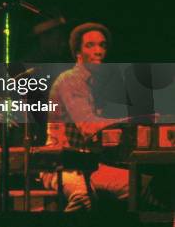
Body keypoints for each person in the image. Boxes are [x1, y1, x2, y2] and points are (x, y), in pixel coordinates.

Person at [41, 22, 128, 211]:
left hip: (88, 165)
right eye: (91, 45)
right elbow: (89, 127)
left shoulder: (94, 84)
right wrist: (131, 123)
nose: (98, 51)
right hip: (61, 166)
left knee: (140, 186)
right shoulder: (70, 80)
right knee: (82, 197)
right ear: (77, 52)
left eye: (102, 45)